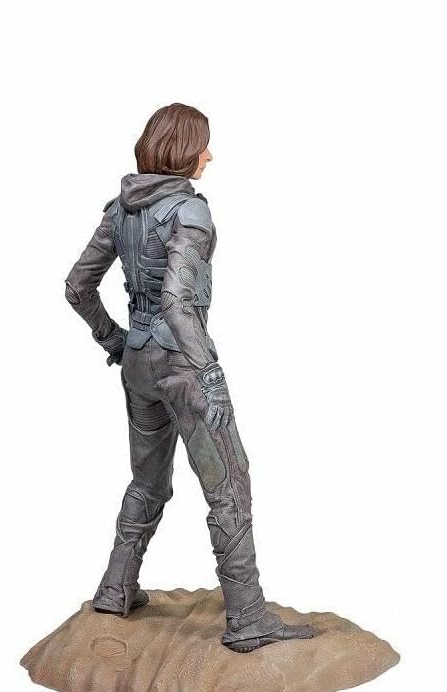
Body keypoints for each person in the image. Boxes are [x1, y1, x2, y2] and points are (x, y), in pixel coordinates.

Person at [64, 103, 314, 652]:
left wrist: (114, 338)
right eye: (203, 144)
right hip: (183, 367)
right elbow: (178, 301)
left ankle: (115, 589)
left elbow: (77, 286)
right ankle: (248, 618)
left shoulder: (119, 210)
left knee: (147, 481)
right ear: (184, 150)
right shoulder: (190, 211)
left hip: (137, 362)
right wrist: (211, 374)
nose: (210, 155)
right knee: (229, 483)